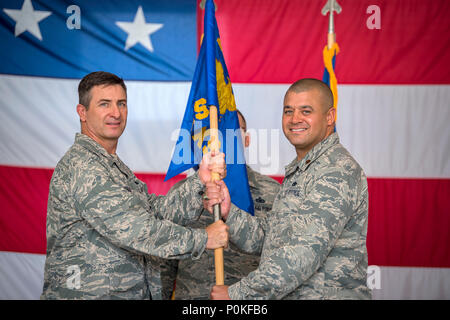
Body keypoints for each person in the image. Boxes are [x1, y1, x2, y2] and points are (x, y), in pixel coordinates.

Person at [41, 71, 229, 300]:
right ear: (82, 112)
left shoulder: (109, 165)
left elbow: (154, 212)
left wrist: (201, 180)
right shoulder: (83, 167)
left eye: (121, 103)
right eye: (104, 104)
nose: (116, 113)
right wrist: (203, 238)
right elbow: (136, 229)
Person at [206, 78, 371, 300]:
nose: (295, 119)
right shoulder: (303, 169)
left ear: (330, 117)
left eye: (306, 111)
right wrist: (230, 213)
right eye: (288, 111)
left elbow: (302, 253)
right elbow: (271, 239)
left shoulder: (336, 170)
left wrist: (237, 295)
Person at [161, 110, 281, 300]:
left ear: (247, 139)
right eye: (217, 133)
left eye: (233, 131)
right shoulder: (184, 193)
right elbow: (165, 258)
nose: (224, 140)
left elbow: (279, 255)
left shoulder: (272, 192)